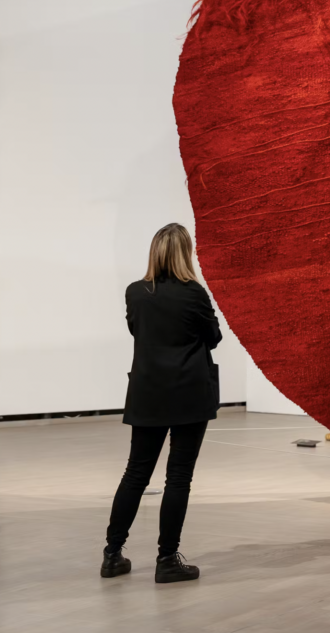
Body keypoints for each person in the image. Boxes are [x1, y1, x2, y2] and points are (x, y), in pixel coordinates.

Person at [101, 223, 222, 584]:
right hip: (188, 393)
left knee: (135, 473)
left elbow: (137, 330)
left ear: (154, 252)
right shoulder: (194, 294)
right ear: (186, 253)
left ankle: (112, 555)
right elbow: (213, 337)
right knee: (178, 478)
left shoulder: (135, 293)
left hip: (148, 392)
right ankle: (167, 559)